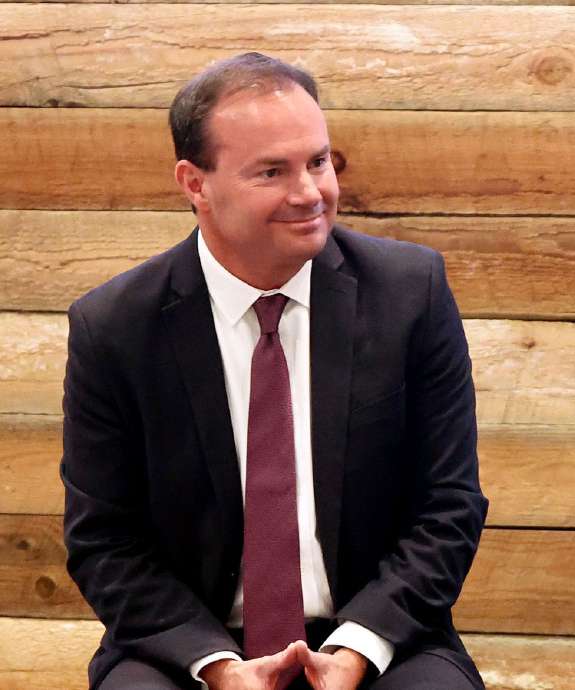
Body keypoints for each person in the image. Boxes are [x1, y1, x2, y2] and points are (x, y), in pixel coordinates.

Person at [61, 52, 487, 690]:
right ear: (194, 183)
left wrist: (356, 650)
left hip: (377, 638)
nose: (310, 193)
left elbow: (448, 507)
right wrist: (220, 667)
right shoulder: (114, 327)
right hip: (187, 649)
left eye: (319, 161)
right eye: (272, 171)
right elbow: (104, 541)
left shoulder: (410, 293)